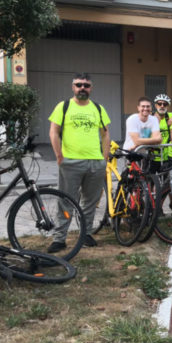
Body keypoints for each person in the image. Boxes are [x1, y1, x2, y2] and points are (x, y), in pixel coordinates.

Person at [48, 73, 110, 251]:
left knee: (90, 201)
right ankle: (60, 238)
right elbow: (54, 131)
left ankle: (86, 234)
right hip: (71, 162)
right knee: (66, 201)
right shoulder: (64, 106)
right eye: (79, 85)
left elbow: (105, 134)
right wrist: (59, 155)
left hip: (95, 163)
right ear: (73, 87)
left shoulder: (98, 108)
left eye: (86, 85)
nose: (82, 88)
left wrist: (104, 159)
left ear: (91, 88)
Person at [152, 94, 172, 172]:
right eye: (159, 104)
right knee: (150, 181)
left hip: (166, 157)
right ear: (156, 105)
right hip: (152, 156)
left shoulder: (170, 115)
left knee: (165, 182)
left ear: (168, 106)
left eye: (165, 104)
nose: (162, 106)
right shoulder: (150, 118)